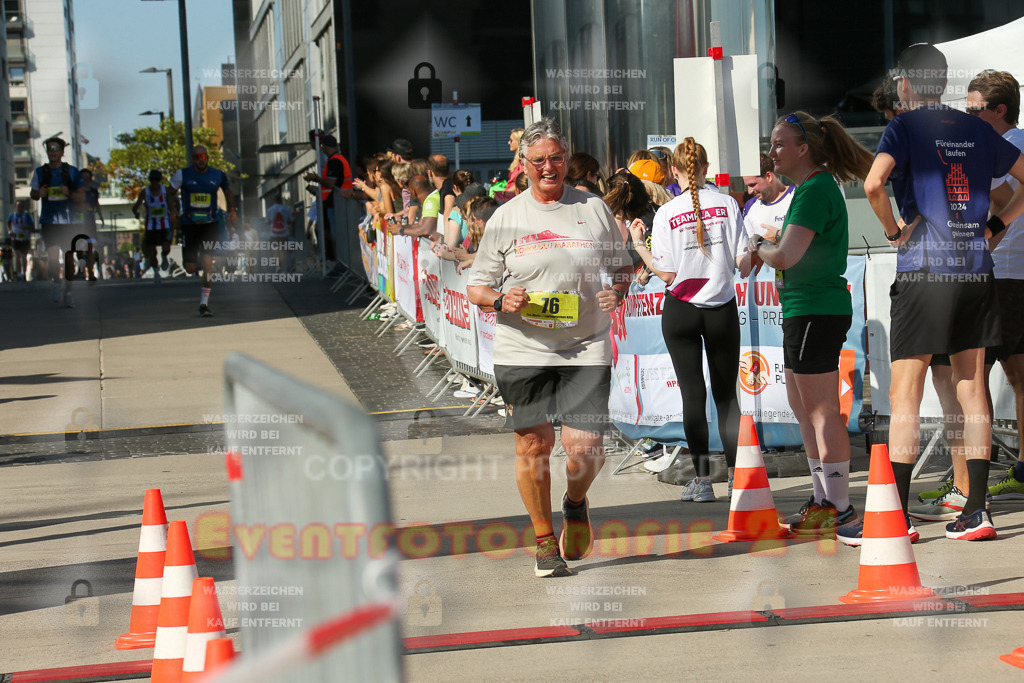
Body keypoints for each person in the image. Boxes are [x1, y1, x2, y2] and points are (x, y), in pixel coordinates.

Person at [860, 44, 1024, 542]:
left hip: (923, 272)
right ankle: (977, 511)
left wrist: (893, 231)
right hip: (975, 270)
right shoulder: (976, 127)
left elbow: (873, 184)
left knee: (904, 393)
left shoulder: (904, 126)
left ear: (906, 83)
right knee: (972, 388)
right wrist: (996, 223)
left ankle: (900, 517)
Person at [466, 118, 633, 577]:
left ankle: (575, 503)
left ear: (566, 160)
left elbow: (624, 269)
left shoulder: (593, 209)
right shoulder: (507, 217)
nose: (548, 167)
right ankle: (543, 541)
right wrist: (503, 298)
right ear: (522, 167)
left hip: (585, 343)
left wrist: (617, 291)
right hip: (523, 345)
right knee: (534, 445)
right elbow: (476, 287)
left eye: (556, 158)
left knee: (585, 448)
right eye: (537, 160)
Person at [749, 110, 874, 535]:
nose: (772, 151)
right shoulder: (808, 188)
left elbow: (785, 256)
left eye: (779, 143)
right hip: (804, 308)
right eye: (772, 143)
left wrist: (760, 245)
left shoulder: (816, 189)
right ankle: (823, 500)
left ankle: (840, 507)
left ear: (804, 149)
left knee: (821, 412)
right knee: (804, 410)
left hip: (816, 309)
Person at [631, 138, 753, 502]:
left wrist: (640, 245)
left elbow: (667, 274)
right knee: (726, 397)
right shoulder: (729, 204)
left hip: (681, 310)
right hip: (721, 309)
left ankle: (702, 482)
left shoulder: (667, 213)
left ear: (675, 172)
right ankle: (737, 479)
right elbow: (744, 265)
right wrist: (759, 245)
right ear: (705, 168)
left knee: (692, 395)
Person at [170, 144, 237, 316]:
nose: (200, 160)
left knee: (208, 264)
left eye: (203, 156)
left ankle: (204, 304)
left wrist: (232, 210)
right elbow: (170, 192)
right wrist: (174, 211)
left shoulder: (217, 175)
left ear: (207, 158)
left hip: (210, 225)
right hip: (190, 225)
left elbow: (229, 193)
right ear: (193, 159)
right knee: (190, 268)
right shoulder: (182, 174)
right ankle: (199, 259)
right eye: (196, 157)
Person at [29, 136, 86, 307]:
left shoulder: (72, 172)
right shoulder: (40, 172)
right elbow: (32, 194)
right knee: (53, 257)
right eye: (49, 149)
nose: (52, 152)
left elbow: (81, 196)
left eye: (55, 149)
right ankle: (56, 283)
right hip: (49, 221)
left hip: (68, 222)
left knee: (68, 259)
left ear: (62, 152)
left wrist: (68, 193)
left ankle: (68, 292)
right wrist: (39, 193)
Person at [303, 135, 353, 268]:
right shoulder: (338, 159)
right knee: (334, 233)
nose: (321, 149)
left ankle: (339, 264)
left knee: (336, 235)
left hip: (337, 203)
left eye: (322, 146)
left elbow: (331, 183)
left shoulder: (335, 161)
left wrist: (316, 178)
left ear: (325, 146)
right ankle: (339, 263)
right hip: (338, 201)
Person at [133, 170, 176, 284]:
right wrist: (136, 213)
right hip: (151, 225)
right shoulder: (145, 192)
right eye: (152, 181)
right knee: (152, 252)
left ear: (159, 181)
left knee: (166, 248)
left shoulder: (164, 191)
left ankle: (164, 255)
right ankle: (156, 272)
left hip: (164, 224)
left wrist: (172, 214)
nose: (154, 183)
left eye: (156, 181)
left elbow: (171, 205)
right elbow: (135, 206)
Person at [742, 153, 794, 244]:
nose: (749, 191)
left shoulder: (795, 197)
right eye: (747, 186)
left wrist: (778, 235)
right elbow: (746, 244)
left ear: (769, 176)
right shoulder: (750, 206)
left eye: (752, 185)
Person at [74, 168, 105, 281]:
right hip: (78, 223)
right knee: (79, 249)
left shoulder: (93, 191)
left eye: (87, 178)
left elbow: (97, 204)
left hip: (90, 222)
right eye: (83, 178)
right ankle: (81, 271)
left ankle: (91, 272)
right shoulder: (75, 191)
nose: (85, 180)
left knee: (90, 248)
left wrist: (101, 218)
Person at [6, 200, 34, 281]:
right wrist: (9, 230)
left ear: (24, 208)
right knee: (17, 256)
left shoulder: (27, 216)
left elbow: (32, 227)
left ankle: (24, 273)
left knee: (23, 257)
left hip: (25, 238)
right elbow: (8, 222)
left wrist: (26, 228)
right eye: (18, 206)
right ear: (16, 207)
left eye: (21, 207)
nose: (20, 208)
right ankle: (18, 274)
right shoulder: (12, 215)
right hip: (15, 238)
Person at [265, 194, 292, 272]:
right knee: (283, 251)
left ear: (274, 201)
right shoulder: (286, 209)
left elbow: (267, 222)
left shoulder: (270, 210)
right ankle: (284, 269)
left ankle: (277, 267)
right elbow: (290, 220)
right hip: (284, 233)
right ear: (281, 200)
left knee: (275, 251)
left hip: (274, 234)